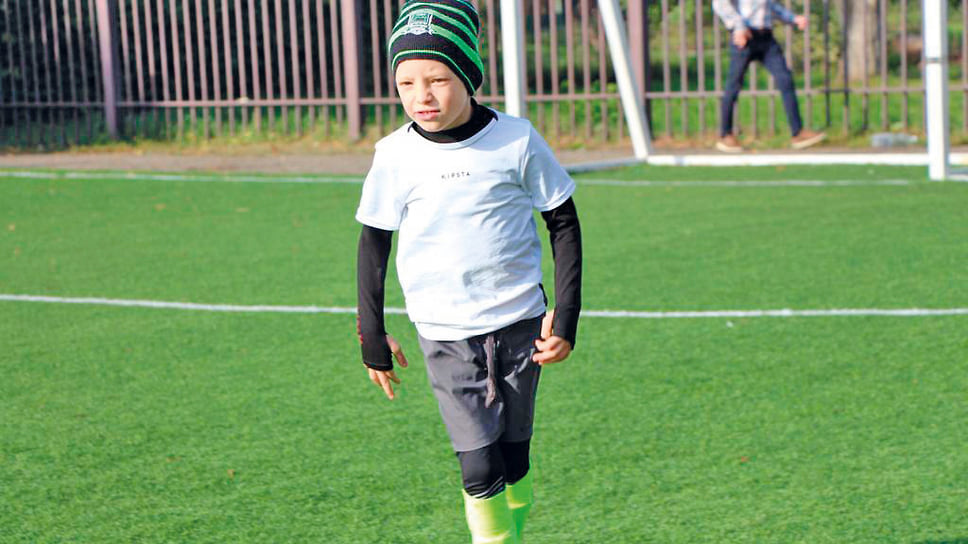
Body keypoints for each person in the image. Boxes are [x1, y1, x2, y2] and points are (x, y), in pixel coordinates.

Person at [354, 1, 582, 542]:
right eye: (406, 83)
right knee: (478, 465)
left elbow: (564, 223)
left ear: (468, 75)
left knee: (514, 457)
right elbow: (373, 244)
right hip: (444, 332)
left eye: (438, 79)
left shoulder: (516, 139)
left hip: (522, 324)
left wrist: (567, 316)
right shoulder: (393, 154)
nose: (422, 96)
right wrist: (371, 333)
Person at [712, 0, 826, 152]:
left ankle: (798, 133)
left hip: (766, 38)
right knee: (733, 86)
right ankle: (726, 135)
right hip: (744, 37)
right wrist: (739, 27)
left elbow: (769, 5)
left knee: (785, 80)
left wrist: (792, 18)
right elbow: (720, 3)